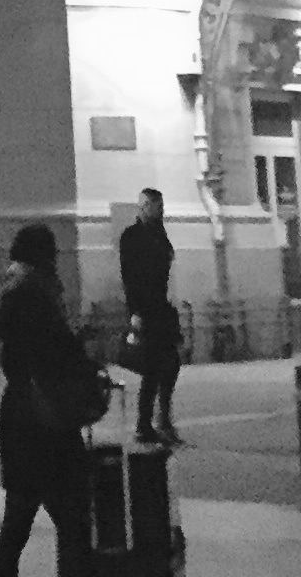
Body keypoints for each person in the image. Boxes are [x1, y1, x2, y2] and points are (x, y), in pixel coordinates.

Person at [0, 220, 101, 577]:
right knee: (73, 512)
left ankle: (1, 571)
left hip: (19, 410)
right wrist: (86, 358)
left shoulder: (11, 293)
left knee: (22, 505)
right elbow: (54, 350)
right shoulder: (38, 293)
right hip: (46, 414)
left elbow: (26, 347)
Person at [118, 186, 181, 446]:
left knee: (172, 364)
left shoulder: (159, 232)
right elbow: (129, 276)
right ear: (144, 206)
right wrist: (135, 312)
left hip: (162, 308)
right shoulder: (132, 236)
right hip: (146, 309)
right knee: (153, 368)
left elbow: (167, 261)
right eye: (157, 206)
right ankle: (145, 424)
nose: (161, 211)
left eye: (162, 207)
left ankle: (163, 417)